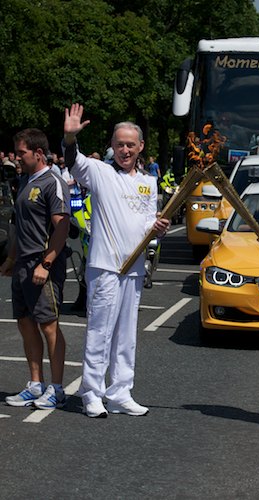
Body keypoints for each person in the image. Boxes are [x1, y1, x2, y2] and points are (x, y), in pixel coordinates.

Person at [63, 103, 170, 418]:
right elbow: (73, 160)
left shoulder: (149, 183)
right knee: (100, 331)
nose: (125, 149)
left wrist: (159, 231)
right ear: (112, 146)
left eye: (130, 144)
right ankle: (92, 393)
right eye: (119, 144)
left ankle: (121, 392)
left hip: (134, 269)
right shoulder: (100, 173)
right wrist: (70, 138)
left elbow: (150, 230)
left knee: (126, 334)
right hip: (106, 268)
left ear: (140, 147)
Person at [0, 128, 70, 409]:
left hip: (43, 265)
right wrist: (11, 259)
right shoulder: (27, 180)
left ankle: (57, 388)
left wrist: (46, 263)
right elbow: (19, 225)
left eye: (21, 153)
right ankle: (35, 384)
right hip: (23, 265)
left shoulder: (53, 181)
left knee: (49, 326)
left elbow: (62, 226)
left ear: (38, 153)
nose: (17, 158)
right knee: (25, 323)